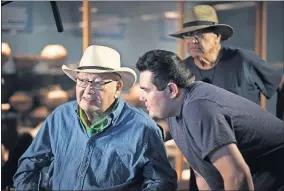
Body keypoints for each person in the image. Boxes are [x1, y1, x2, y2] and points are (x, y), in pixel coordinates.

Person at [13, 45, 177, 191]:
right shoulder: (60, 117)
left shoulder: (143, 128)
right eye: (82, 81)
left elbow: (160, 180)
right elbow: (29, 165)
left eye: (98, 83)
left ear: (118, 87)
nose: (89, 90)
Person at [136, 49, 284, 190]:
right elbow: (203, 174)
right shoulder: (174, 114)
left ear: (171, 90)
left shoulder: (199, 107)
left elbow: (236, 175)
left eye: (147, 90)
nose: (141, 98)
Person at [169, 5, 283, 105]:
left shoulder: (243, 60)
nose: (192, 41)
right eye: (188, 34)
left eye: (199, 33)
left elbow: (281, 83)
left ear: (217, 37)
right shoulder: (182, 70)